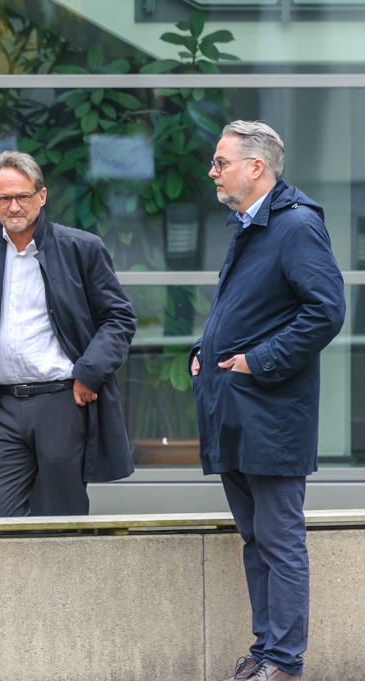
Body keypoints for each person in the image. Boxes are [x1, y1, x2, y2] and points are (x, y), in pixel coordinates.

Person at [193, 121, 345, 681]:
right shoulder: (250, 225)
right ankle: (265, 653)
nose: (212, 172)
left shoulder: (296, 225)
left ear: (256, 167)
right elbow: (248, 309)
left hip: (272, 414)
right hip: (237, 409)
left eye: (221, 162)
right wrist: (204, 350)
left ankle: (283, 663)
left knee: (279, 542)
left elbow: (325, 311)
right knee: (256, 541)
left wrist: (259, 360)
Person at [0, 150, 136, 517]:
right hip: (0, 407)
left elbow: (119, 318)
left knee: (62, 521)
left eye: (22, 197)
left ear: (41, 196)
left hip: (62, 401)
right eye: (4, 198)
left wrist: (89, 372)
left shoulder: (81, 248)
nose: (13, 207)